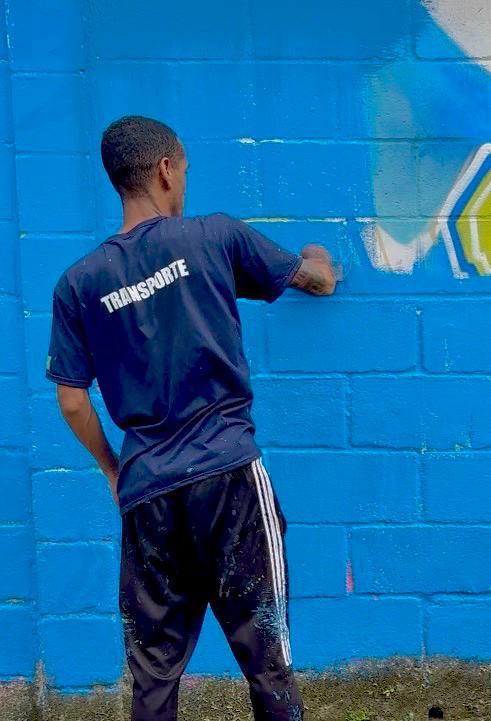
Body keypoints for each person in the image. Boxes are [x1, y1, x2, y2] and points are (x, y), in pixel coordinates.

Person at [46, 116, 339, 721]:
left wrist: (112, 468)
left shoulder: (78, 284)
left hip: (148, 488)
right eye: (183, 170)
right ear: (165, 169)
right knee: (267, 659)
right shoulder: (214, 237)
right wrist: (318, 255)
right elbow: (316, 280)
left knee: (153, 676)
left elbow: (72, 399)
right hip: (228, 474)